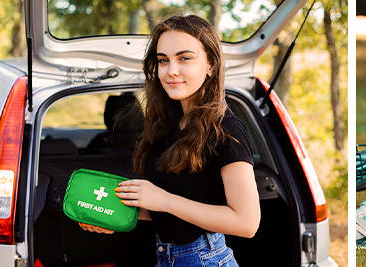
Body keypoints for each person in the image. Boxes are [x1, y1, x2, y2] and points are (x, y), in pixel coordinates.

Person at [80, 15, 258, 266]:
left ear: (211, 65)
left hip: (205, 259)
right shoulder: (169, 126)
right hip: (167, 256)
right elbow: (167, 209)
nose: (171, 71)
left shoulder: (226, 129)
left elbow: (246, 223)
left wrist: (164, 199)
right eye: (163, 60)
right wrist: (110, 215)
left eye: (185, 58)